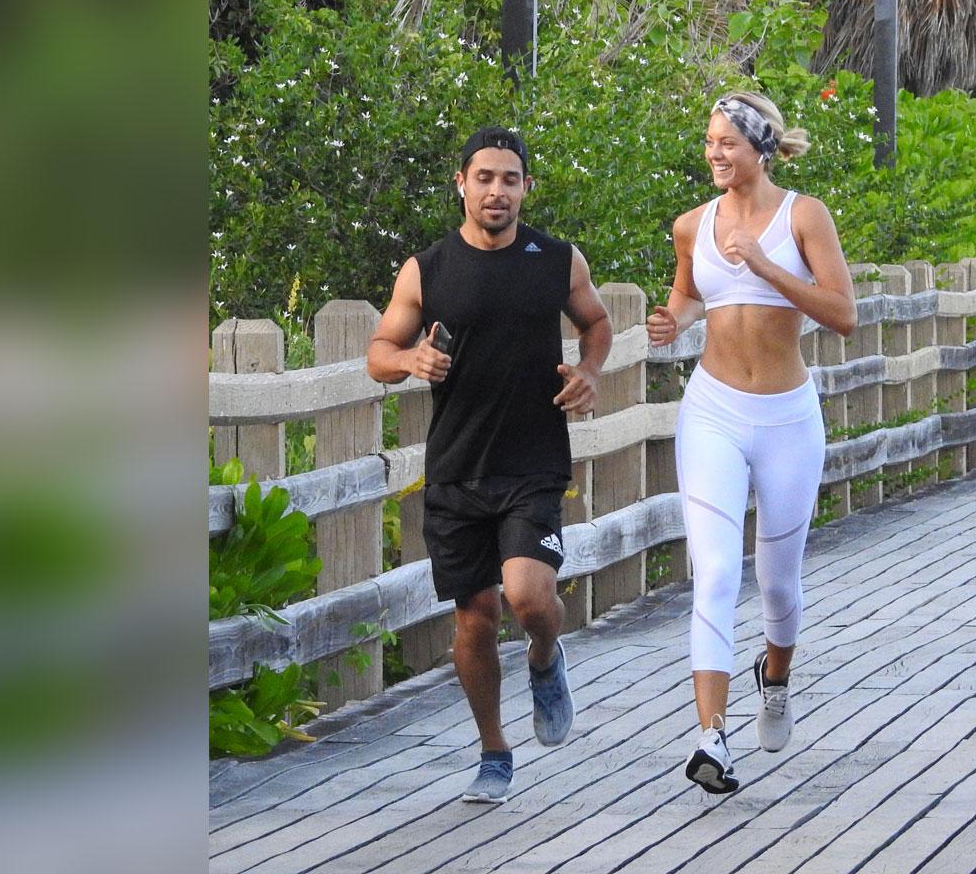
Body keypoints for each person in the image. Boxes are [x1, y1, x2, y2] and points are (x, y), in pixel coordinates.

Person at [367, 127, 612, 804]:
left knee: (531, 597)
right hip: (455, 467)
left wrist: (590, 371)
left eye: (510, 179)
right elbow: (380, 350)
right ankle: (494, 752)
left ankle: (543, 657)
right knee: (474, 617)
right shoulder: (428, 269)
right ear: (462, 184)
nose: (496, 190)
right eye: (484, 178)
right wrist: (409, 359)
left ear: (526, 188)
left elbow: (596, 322)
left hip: (533, 461)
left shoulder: (555, 260)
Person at [646, 93, 857, 793]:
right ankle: (711, 737)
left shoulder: (804, 215)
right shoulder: (690, 226)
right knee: (713, 574)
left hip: (787, 419)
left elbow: (844, 314)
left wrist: (766, 268)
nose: (713, 153)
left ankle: (776, 676)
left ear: (760, 148)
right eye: (708, 141)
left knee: (777, 584)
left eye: (727, 143)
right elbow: (686, 294)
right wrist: (669, 321)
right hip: (712, 410)